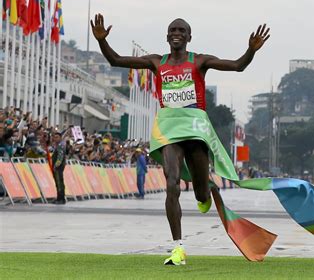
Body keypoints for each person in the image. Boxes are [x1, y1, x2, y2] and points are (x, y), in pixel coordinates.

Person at [91, 14, 270, 265]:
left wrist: (250, 51)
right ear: (167, 37)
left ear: (188, 37)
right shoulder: (156, 62)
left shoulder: (200, 61)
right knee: (172, 181)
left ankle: (206, 191)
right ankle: (178, 247)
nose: (177, 33)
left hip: (195, 127)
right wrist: (102, 42)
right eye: (172, 30)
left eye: (181, 30)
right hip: (168, 128)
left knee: (200, 194)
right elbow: (116, 60)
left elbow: (238, 66)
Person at [52, 132, 66, 204]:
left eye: (57, 137)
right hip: (58, 166)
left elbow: (60, 157)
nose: (55, 139)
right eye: (55, 137)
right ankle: (59, 198)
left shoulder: (60, 145)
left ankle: (61, 198)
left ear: (60, 138)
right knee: (58, 182)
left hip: (58, 167)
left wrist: (56, 165)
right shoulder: (57, 145)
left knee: (59, 182)